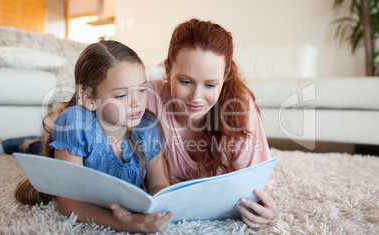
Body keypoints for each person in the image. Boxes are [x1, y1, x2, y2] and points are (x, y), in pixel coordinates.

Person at [14, 40, 174, 233]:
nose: (137, 103)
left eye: (141, 90)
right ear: (89, 100)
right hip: (66, 145)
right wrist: (122, 223)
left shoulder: (147, 126)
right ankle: (23, 143)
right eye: (122, 95)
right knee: (38, 149)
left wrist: (148, 215)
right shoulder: (75, 123)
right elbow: (68, 203)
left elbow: (160, 186)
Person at [145, 18, 277, 229]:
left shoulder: (239, 106)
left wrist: (261, 206)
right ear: (168, 70)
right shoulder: (148, 97)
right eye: (185, 82)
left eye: (210, 84)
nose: (196, 97)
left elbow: (256, 181)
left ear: (224, 76)